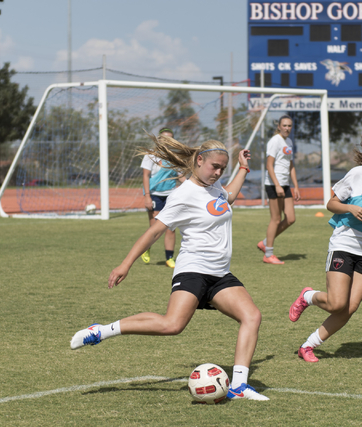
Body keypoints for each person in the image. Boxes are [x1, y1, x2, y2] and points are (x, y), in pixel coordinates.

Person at [71, 135, 269, 401]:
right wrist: (125, 264)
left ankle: (239, 386)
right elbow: (154, 232)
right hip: (193, 270)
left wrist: (243, 167)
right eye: (214, 167)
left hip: (220, 274)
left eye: (223, 168)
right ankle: (102, 331)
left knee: (251, 316)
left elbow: (227, 198)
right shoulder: (183, 195)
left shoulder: (215, 185)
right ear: (199, 161)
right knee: (172, 325)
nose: (218, 172)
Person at [288, 131, 362, 363]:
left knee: (349, 308)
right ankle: (308, 296)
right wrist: (350, 208)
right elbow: (331, 203)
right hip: (345, 241)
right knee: (336, 303)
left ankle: (308, 346)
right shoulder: (359, 173)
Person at [257, 115, 301, 264]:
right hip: (273, 184)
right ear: (279, 126)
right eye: (284, 125)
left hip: (286, 184)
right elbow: (269, 165)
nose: (287, 128)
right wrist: (276, 184)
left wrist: (296, 186)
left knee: (290, 218)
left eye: (289, 126)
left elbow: (291, 165)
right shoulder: (274, 141)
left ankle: (265, 242)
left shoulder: (288, 142)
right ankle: (268, 255)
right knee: (275, 219)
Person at [140, 127, 183, 268]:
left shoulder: (175, 157)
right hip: (154, 194)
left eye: (170, 139)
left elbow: (181, 176)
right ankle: (146, 248)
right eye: (164, 139)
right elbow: (146, 176)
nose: (167, 142)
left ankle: (169, 258)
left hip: (171, 194)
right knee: (155, 227)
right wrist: (147, 196)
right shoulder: (150, 155)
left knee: (171, 227)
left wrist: (194, 186)